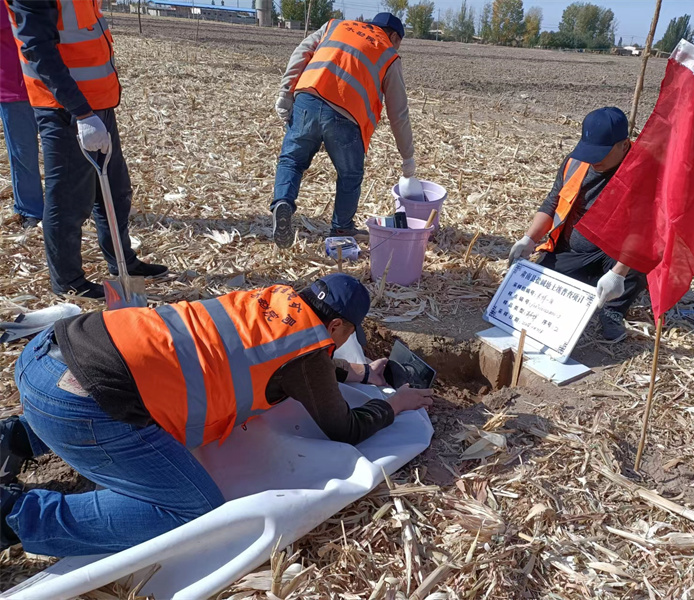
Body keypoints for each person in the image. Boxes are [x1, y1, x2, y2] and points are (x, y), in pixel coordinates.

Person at [0, 273, 433, 556]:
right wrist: (393, 405)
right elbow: (346, 428)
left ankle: (14, 440)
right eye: (346, 337)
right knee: (194, 510)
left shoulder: (267, 303)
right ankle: (14, 516)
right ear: (337, 328)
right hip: (77, 403)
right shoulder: (307, 349)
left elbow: (288, 365)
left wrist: (357, 372)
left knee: (134, 386)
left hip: (45, 358)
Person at [6, 0, 167, 298]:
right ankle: (69, 282)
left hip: (98, 103)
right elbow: (38, 49)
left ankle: (122, 261)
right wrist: (81, 113)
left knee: (115, 193)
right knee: (68, 202)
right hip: (64, 108)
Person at [271, 13, 416, 248]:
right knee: (350, 176)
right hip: (346, 117)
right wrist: (407, 156)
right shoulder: (389, 53)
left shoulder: (334, 26)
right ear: (393, 36)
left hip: (307, 98)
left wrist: (285, 93)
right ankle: (341, 228)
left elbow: (301, 52)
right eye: (399, 41)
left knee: (292, 160)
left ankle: (282, 203)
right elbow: (398, 112)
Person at [508, 107, 647, 342]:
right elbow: (553, 202)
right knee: (542, 291)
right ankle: (589, 280)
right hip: (572, 250)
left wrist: (619, 273)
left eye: (601, 153)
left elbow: (645, 229)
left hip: (617, 251)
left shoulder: (643, 171)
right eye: (589, 151)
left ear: (624, 145)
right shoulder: (575, 162)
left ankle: (613, 309)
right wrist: (529, 239)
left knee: (640, 261)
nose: (594, 159)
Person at [0, 5, 43, 229]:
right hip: (14, 89)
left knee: (64, 150)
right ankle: (31, 209)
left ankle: (69, 204)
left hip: (49, 83)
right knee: (23, 153)